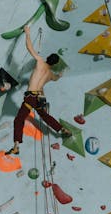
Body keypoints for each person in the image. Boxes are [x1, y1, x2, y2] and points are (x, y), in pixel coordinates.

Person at [8, 25, 70, 155]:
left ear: (48, 58)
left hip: (31, 97)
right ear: (54, 64)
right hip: (39, 98)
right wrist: (61, 74)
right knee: (45, 116)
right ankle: (61, 129)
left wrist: (28, 33)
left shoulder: (40, 62)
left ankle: (16, 145)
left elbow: (29, 48)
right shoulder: (51, 74)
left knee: (19, 120)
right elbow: (56, 78)